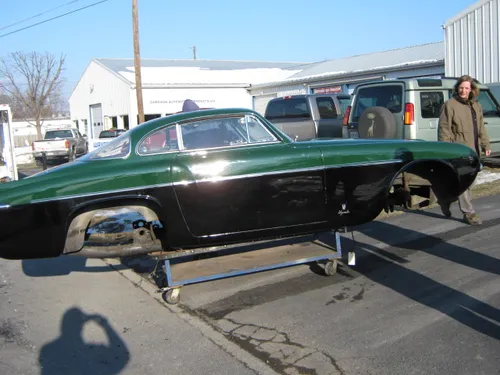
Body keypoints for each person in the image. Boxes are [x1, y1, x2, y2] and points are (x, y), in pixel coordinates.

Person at [438, 75, 491, 225]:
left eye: (466, 88)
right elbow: (444, 128)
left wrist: (485, 145)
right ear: (457, 88)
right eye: (461, 87)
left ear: (472, 90)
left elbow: (481, 128)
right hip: (458, 150)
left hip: (473, 150)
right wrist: (446, 149)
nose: (463, 90)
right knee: (464, 181)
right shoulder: (450, 105)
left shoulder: (476, 106)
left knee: (470, 180)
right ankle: (469, 213)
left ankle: (446, 199)